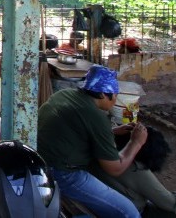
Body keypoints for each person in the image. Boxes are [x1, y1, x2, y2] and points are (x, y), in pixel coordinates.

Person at [37, 64, 148, 218]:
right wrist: (136, 142)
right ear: (103, 94)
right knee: (128, 213)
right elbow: (115, 168)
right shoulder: (96, 116)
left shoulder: (64, 94)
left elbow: (76, 129)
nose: (115, 99)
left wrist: (111, 132)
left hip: (41, 162)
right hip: (63, 173)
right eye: (114, 94)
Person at [94, 125, 176, 218]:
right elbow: (170, 203)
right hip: (126, 212)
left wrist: (112, 131)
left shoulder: (106, 152)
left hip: (102, 204)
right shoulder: (135, 168)